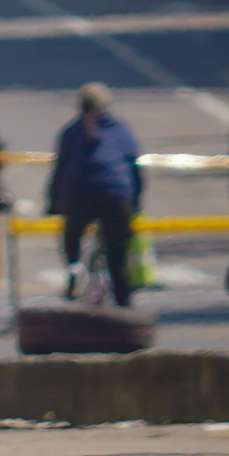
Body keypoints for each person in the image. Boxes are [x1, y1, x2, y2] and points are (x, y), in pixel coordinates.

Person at [47, 82, 144, 306]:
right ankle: (124, 305)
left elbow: (60, 171)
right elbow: (134, 169)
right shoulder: (121, 129)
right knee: (117, 259)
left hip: (79, 196)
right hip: (117, 197)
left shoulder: (71, 131)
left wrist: (53, 203)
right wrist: (135, 203)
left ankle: (74, 268)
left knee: (72, 234)